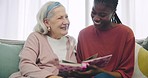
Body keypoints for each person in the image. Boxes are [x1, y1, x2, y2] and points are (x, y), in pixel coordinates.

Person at [9, 1, 77, 78]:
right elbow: (26, 64)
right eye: (60, 18)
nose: (66, 22)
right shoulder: (36, 38)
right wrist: (50, 77)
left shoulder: (71, 41)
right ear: (46, 22)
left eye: (66, 17)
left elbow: (75, 69)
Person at [76, 0, 135, 78]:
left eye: (102, 15)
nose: (96, 18)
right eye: (93, 12)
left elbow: (125, 74)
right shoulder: (83, 34)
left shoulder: (126, 34)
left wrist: (101, 72)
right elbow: (79, 67)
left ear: (113, 13)